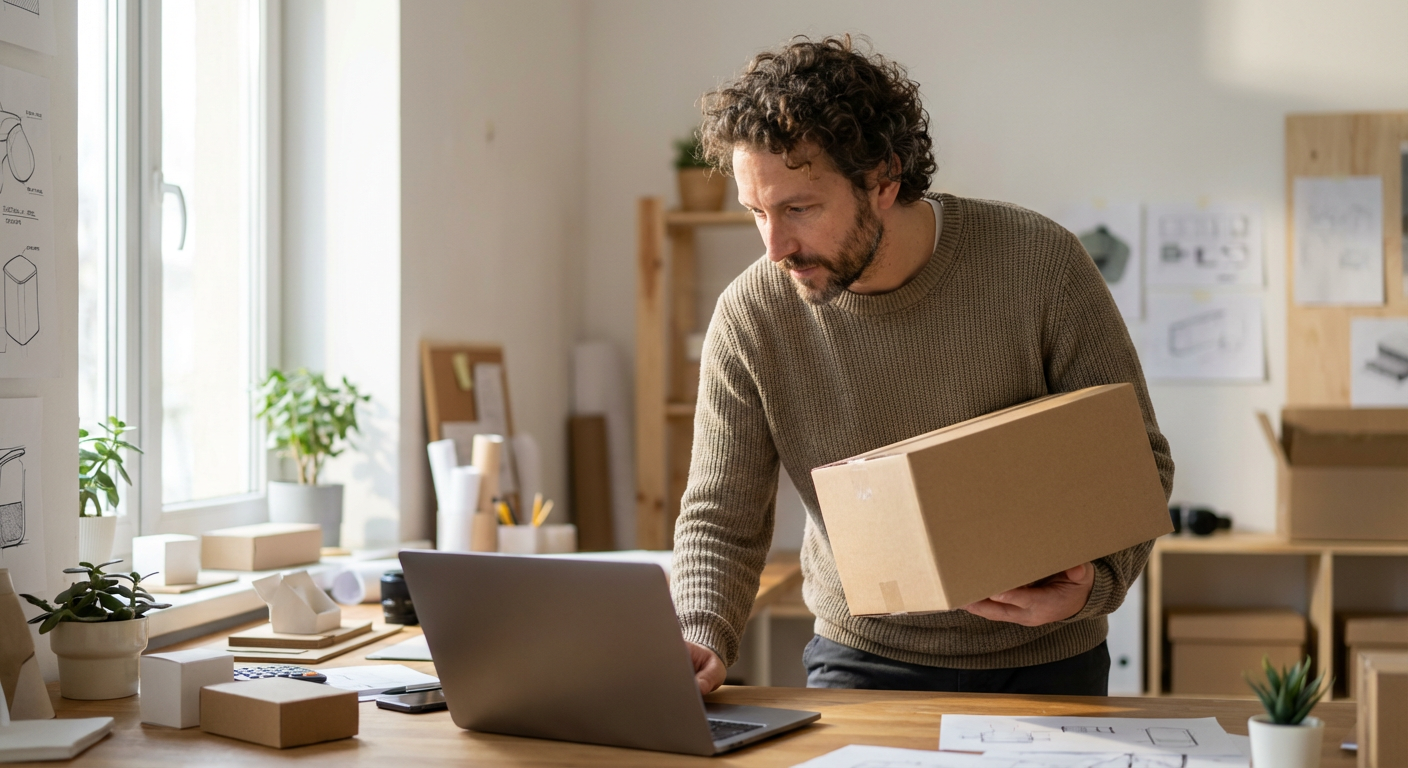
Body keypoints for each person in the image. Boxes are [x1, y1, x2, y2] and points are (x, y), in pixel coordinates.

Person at [670, 35, 1174, 697]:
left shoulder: (1040, 265)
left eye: (798, 209)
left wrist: (1091, 588)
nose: (775, 247)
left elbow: (1136, 463)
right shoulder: (751, 316)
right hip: (861, 660)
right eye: (757, 213)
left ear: (884, 178)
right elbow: (720, 515)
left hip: (1051, 661)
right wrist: (700, 633)